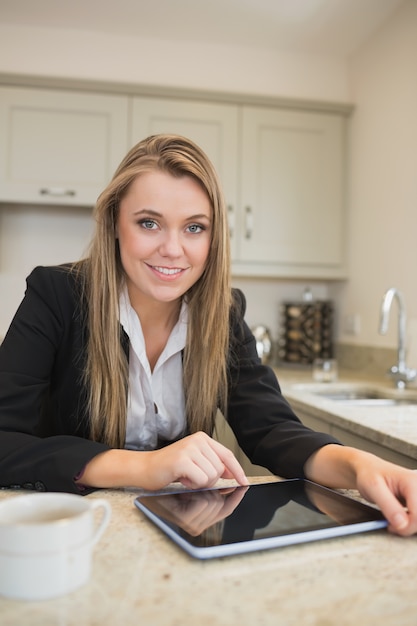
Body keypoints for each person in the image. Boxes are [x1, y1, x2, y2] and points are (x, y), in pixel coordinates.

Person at [0, 134, 416, 537]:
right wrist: (143, 467)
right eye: (149, 223)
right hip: (75, 533)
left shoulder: (224, 312)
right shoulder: (56, 296)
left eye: (194, 228)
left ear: (214, 237)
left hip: (179, 529)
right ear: (113, 223)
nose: (173, 249)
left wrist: (360, 466)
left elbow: (272, 430)